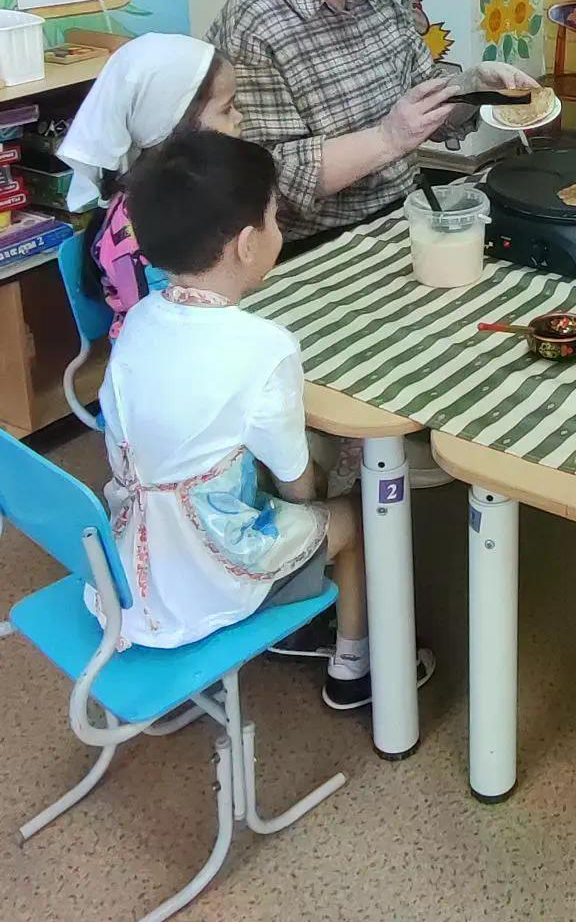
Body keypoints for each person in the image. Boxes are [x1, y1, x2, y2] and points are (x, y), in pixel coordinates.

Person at [92, 132, 429, 710]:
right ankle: (355, 662)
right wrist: (322, 486)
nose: (278, 228)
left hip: (123, 566)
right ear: (248, 245)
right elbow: (298, 485)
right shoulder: (264, 346)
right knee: (354, 516)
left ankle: (315, 624)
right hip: (205, 575)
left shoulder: (140, 319)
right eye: (275, 217)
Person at [208, 0, 532, 249]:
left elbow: (423, 96)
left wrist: (476, 88)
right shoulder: (253, 25)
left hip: (402, 213)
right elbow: (267, 178)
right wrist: (388, 139)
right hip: (314, 246)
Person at [59, 34, 242, 337]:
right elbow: (166, 326)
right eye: (226, 109)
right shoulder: (137, 229)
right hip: (160, 352)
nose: (238, 118)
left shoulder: (194, 191)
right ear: (175, 127)